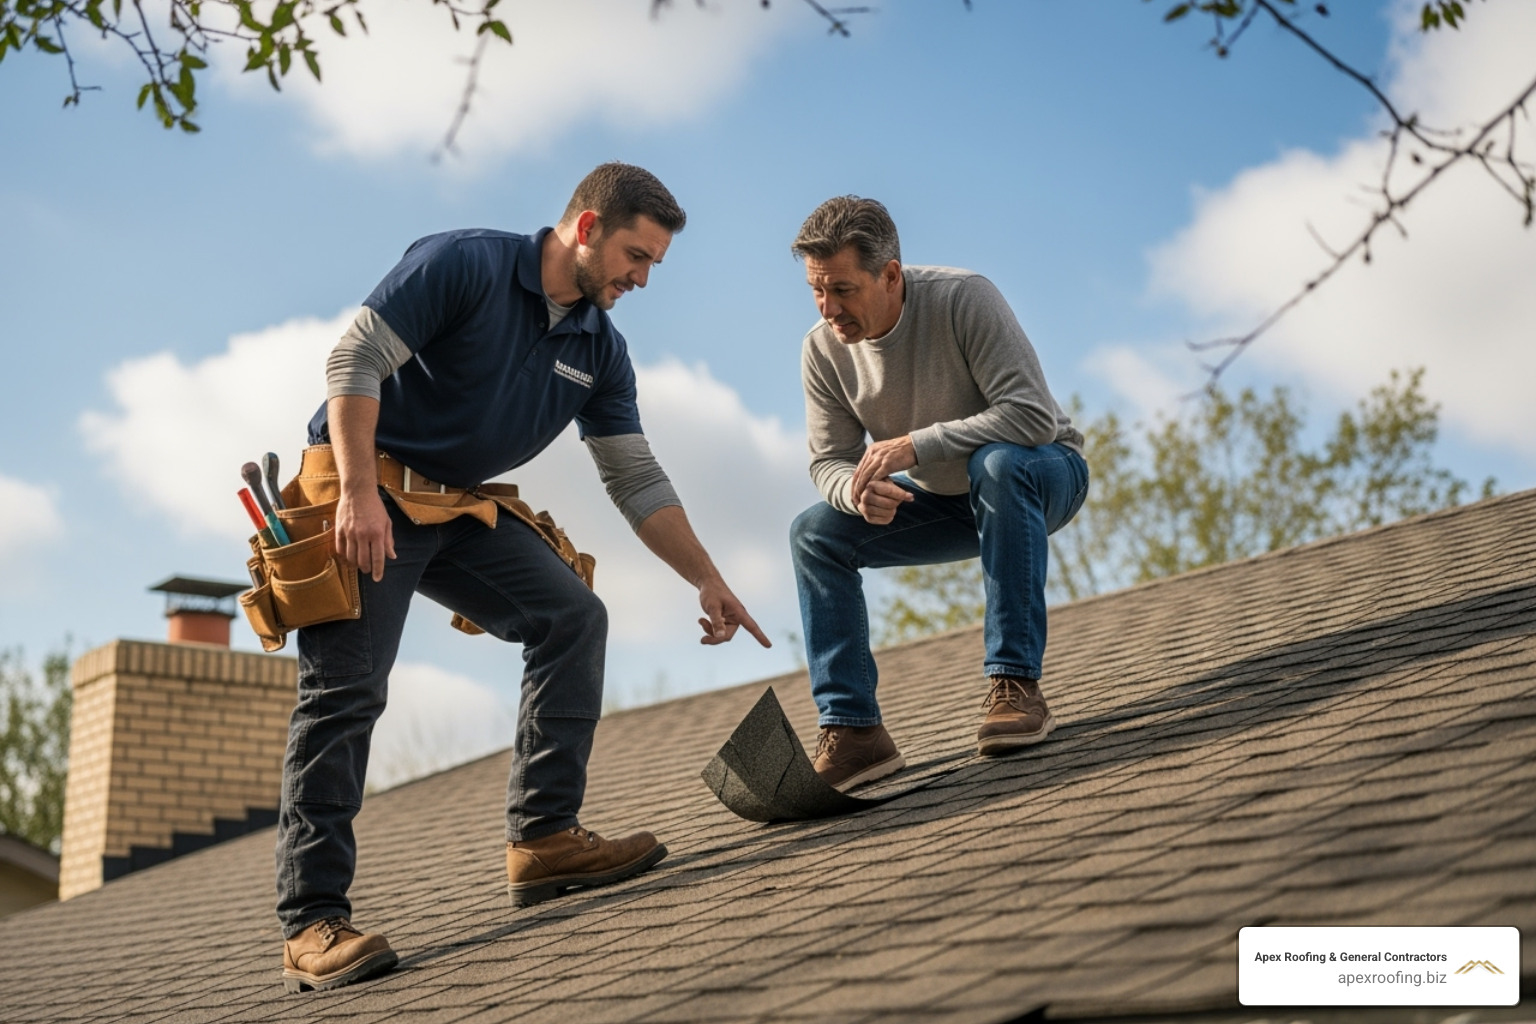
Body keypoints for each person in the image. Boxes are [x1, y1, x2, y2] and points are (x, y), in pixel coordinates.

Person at [275, 163, 770, 992]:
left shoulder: (598, 350)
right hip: (364, 486)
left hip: (457, 508)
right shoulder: (462, 263)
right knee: (347, 688)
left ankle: (542, 839)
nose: (642, 278)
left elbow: (635, 480)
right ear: (585, 228)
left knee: (573, 615)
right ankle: (310, 922)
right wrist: (357, 495)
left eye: (654, 264)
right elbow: (354, 360)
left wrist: (707, 580)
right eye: (635, 256)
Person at [788, 195, 1088, 793]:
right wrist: (855, 494)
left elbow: (1031, 417)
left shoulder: (963, 298)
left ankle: (1015, 684)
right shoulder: (822, 350)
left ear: (890, 274)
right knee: (814, 533)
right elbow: (828, 461)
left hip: (1041, 474)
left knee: (997, 463)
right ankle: (854, 732)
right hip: (948, 503)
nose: (828, 310)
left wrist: (917, 446)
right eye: (817, 291)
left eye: (842, 290)